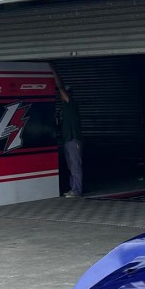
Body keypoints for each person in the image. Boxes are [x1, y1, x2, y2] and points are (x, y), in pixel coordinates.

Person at [52, 64, 83, 198]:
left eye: (62, 94)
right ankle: (73, 188)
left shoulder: (70, 104)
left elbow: (60, 86)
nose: (60, 95)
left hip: (73, 139)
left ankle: (77, 190)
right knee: (71, 166)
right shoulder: (63, 109)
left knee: (75, 165)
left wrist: (53, 70)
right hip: (67, 140)